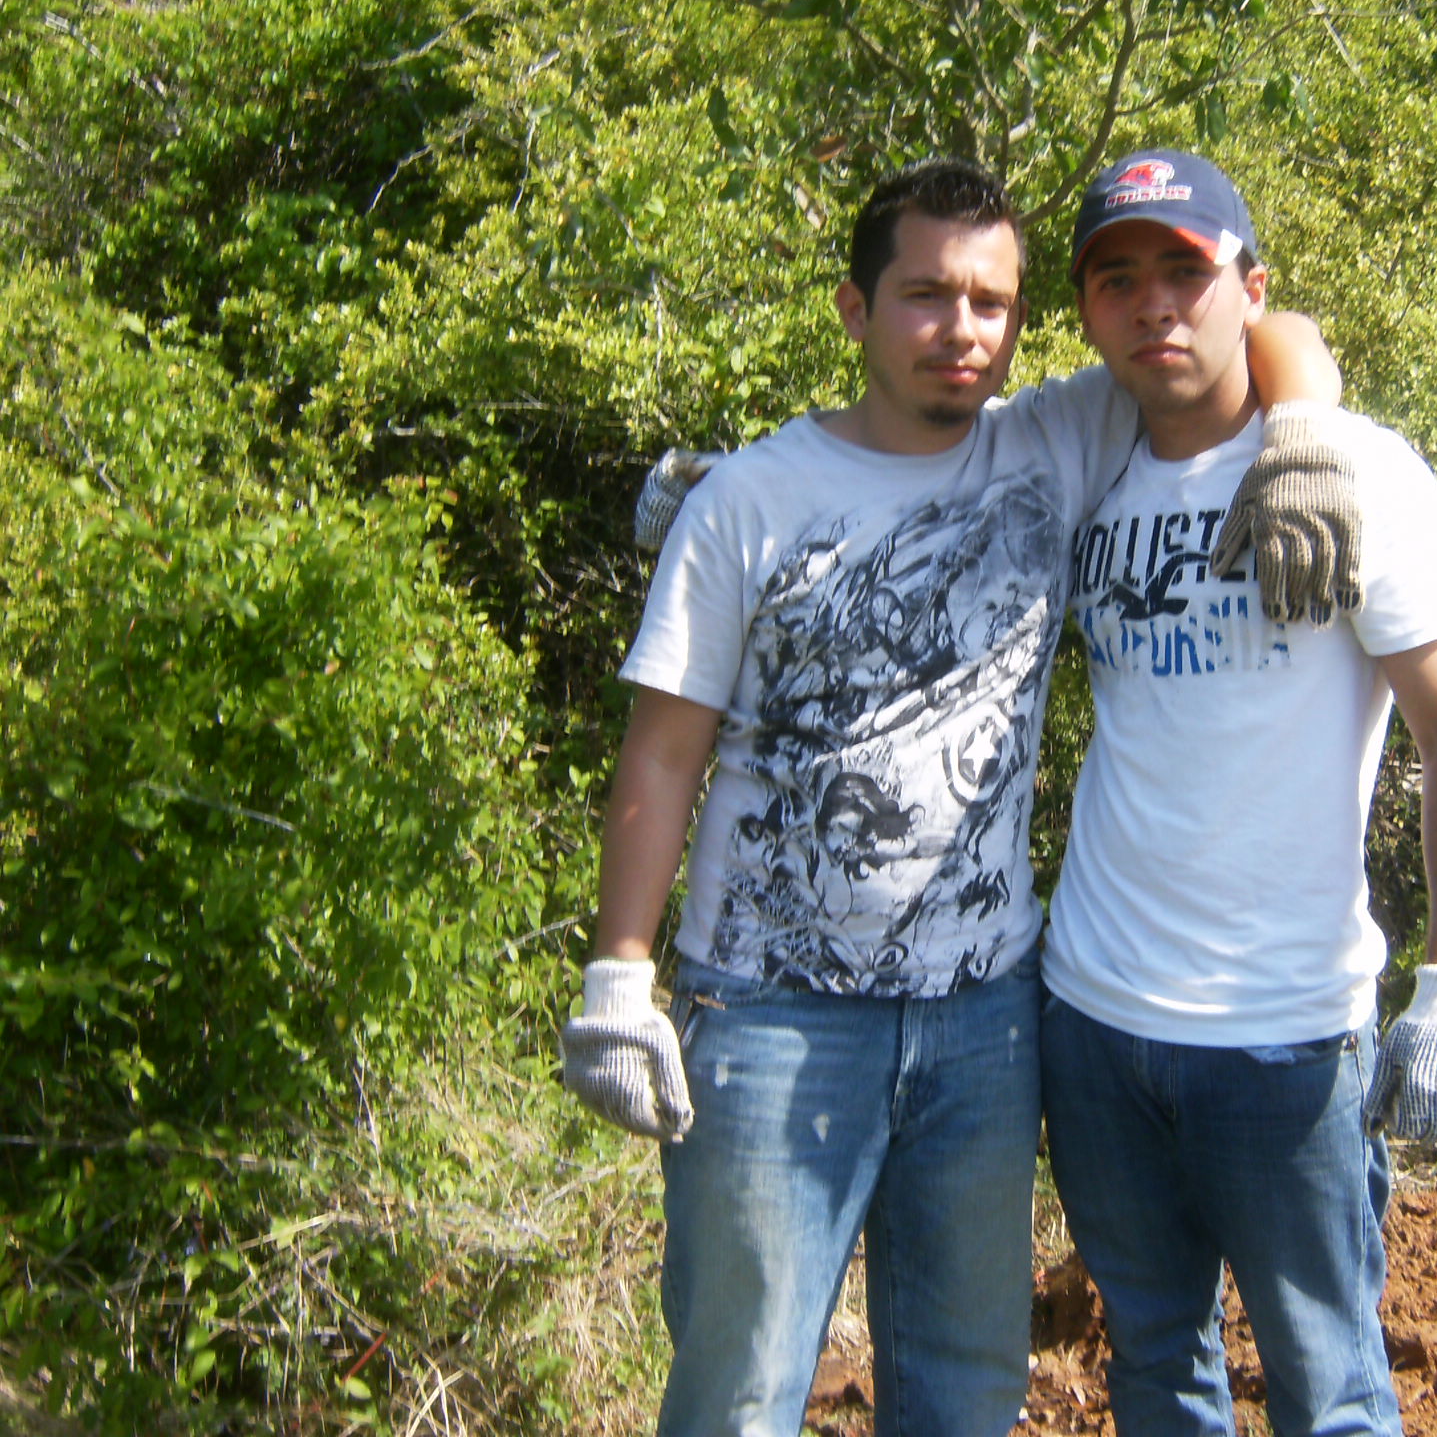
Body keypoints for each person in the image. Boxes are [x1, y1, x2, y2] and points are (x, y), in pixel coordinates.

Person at [557, 156, 1357, 1437]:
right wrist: (617, 978)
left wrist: (1305, 426)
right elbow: (659, 755)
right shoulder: (748, 500)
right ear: (853, 309)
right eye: (926, 295)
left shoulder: (1056, 442)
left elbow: (1248, 320)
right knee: (738, 1391)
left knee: (965, 1392)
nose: (962, 329)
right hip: (767, 1015)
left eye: (992, 302)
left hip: (984, 1022)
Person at [1038, 149, 1437, 1437]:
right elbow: (913, 447)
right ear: (1084, 311)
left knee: (1329, 1387)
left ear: (1248, 287)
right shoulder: (1080, 457)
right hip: (1092, 1021)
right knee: (1152, 1363)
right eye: (1115, 278)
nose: (1153, 303)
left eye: (1184, 271)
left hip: (1284, 1039)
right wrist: (742, 500)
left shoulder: (1357, 473)